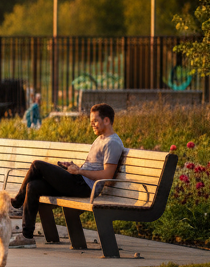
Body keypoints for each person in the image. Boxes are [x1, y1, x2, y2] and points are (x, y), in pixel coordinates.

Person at [7, 103, 124, 248]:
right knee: (33, 186)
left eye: (95, 121)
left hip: (84, 187)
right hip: (78, 181)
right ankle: (27, 237)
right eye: (91, 122)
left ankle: (16, 204)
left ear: (106, 120)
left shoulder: (112, 143)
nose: (92, 125)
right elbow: (93, 167)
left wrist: (79, 171)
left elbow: (107, 174)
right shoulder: (101, 139)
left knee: (37, 165)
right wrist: (74, 167)